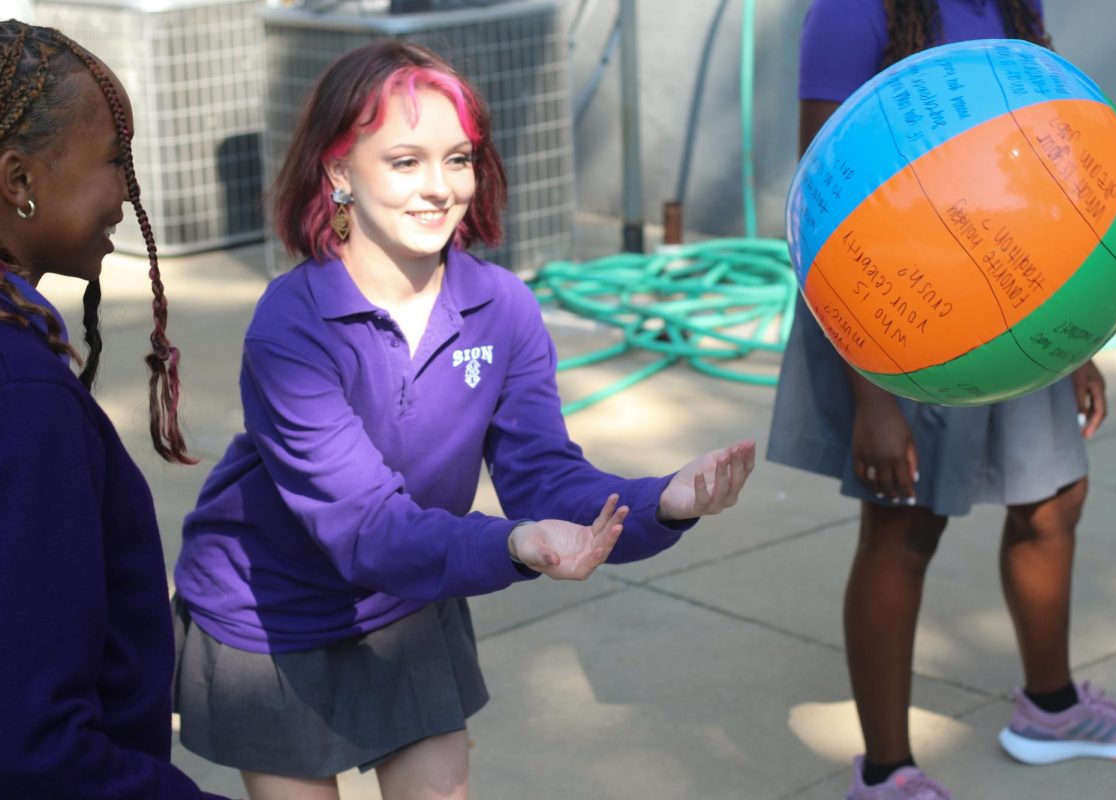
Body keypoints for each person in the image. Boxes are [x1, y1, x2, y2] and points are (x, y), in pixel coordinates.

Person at [171, 40, 755, 800]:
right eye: (405, 161)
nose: (440, 187)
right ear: (339, 172)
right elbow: (365, 530)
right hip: (275, 615)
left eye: (458, 159)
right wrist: (513, 544)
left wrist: (664, 503)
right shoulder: (292, 324)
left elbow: (543, 476)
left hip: (411, 599)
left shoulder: (502, 306)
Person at [768, 2, 1116, 798]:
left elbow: (1050, 169)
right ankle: (885, 774)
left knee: (1054, 496)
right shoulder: (855, 12)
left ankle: (1050, 711)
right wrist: (876, 397)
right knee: (903, 526)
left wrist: (1074, 344)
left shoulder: (1012, 1)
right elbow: (827, 205)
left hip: (1017, 301)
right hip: (904, 315)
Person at [0, 20, 229, 799]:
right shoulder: (24, 397)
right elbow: (35, 746)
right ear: (19, 179)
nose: (130, 194)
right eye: (114, 162)